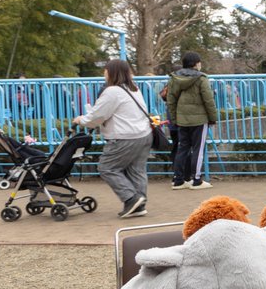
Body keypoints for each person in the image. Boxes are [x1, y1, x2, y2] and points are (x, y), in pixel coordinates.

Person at [72, 59, 151, 218]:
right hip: (144, 134)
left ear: (112, 72)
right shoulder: (133, 89)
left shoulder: (112, 91)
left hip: (124, 137)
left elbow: (98, 115)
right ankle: (138, 204)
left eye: (106, 70)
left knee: (107, 167)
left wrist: (81, 120)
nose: (104, 73)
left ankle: (131, 198)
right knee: (136, 170)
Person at [166, 51, 217, 189]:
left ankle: (178, 180)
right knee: (198, 149)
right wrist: (213, 118)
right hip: (199, 120)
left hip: (182, 120)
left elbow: (170, 100)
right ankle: (197, 180)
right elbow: (208, 100)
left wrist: (175, 119)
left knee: (182, 148)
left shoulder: (174, 78)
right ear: (196, 63)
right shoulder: (201, 78)